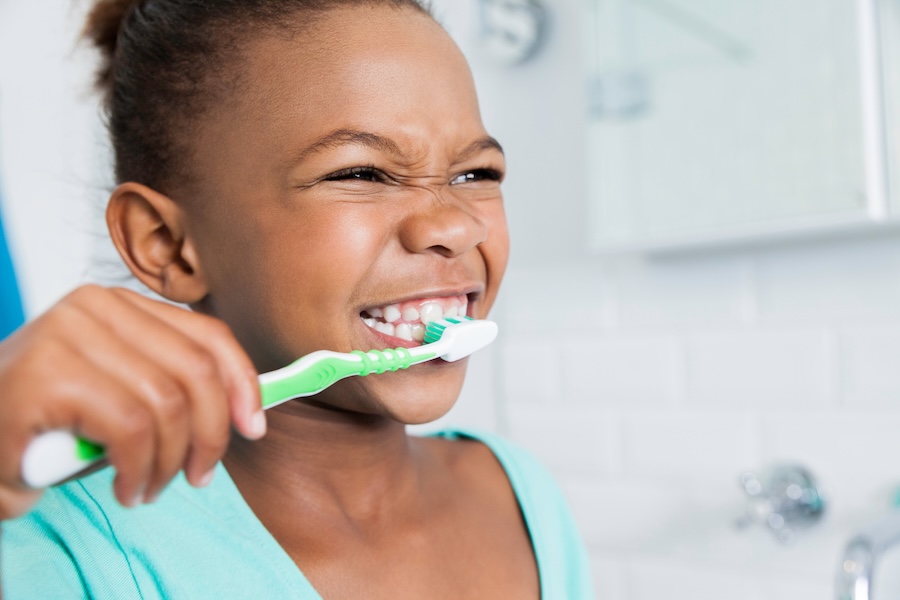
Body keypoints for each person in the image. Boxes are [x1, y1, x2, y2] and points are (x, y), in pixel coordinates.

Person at [0, 1, 593, 598]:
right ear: (168, 245)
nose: (456, 226)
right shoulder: (57, 553)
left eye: (476, 174)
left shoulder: (520, 495)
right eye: (359, 174)